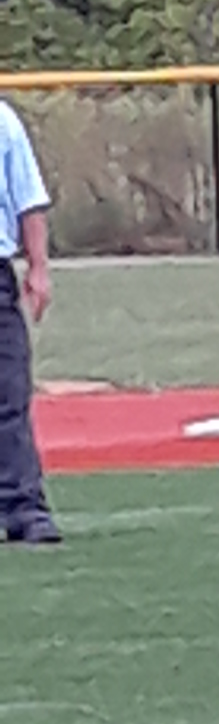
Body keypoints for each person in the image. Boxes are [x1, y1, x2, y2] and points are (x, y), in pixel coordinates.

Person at [0, 96, 61, 545]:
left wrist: (38, 267)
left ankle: (24, 507)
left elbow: (29, 200)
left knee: (9, 394)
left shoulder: (2, 121)